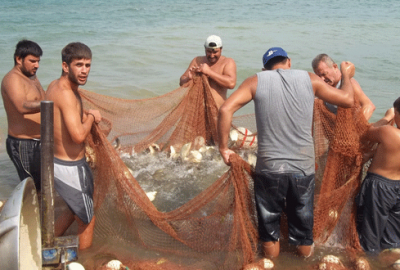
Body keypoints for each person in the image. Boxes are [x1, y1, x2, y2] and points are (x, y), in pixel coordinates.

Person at [218, 47, 356, 259]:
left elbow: (225, 109)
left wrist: (223, 147)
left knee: (269, 232)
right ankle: (302, 263)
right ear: (289, 62)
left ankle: (272, 263)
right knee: (303, 233)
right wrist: (346, 74)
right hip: (303, 169)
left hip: (269, 170)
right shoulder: (309, 79)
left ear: (265, 68)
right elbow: (347, 99)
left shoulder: (256, 81)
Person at [45, 42, 101, 250]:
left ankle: (46, 243)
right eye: (79, 65)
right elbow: (77, 135)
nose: (84, 70)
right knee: (87, 219)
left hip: (59, 163)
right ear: (65, 66)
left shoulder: (54, 85)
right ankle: (84, 261)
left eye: (88, 65)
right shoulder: (66, 94)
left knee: (73, 210)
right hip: (70, 167)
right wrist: (91, 118)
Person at [356, 98, 400, 253]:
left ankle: (369, 260)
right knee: (393, 236)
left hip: (380, 186)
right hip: (398, 185)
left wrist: (387, 118)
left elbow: (365, 132)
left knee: (370, 232)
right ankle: (390, 261)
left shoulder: (388, 132)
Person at [1, 40, 45, 191]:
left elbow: (43, 99)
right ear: (19, 59)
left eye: (38, 61)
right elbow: (21, 106)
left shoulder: (33, 77)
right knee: (33, 190)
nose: (37, 65)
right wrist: (53, 103)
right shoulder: (12, 79)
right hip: (23, 144)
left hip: (41, 140)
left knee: (45, 186)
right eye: (32, 61)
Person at [312, 53, 375, 120]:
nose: (322, 79)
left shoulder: (349, 84)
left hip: (348, 126)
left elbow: (369, 106)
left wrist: (356, 128)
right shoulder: (324, 87)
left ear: (335, 67)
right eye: (319, 76)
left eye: (324, 74)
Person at [179, 35, 237, 108]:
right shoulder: (197, 60)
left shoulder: (227, 62)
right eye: (209, 52)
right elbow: (181, 82)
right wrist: (188, 78)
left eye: (215, 52)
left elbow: (231, 83)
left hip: (217, 111)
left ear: (221, 49)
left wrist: (208, 72)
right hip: (196, 109)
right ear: (205, 49)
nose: (212, 55)